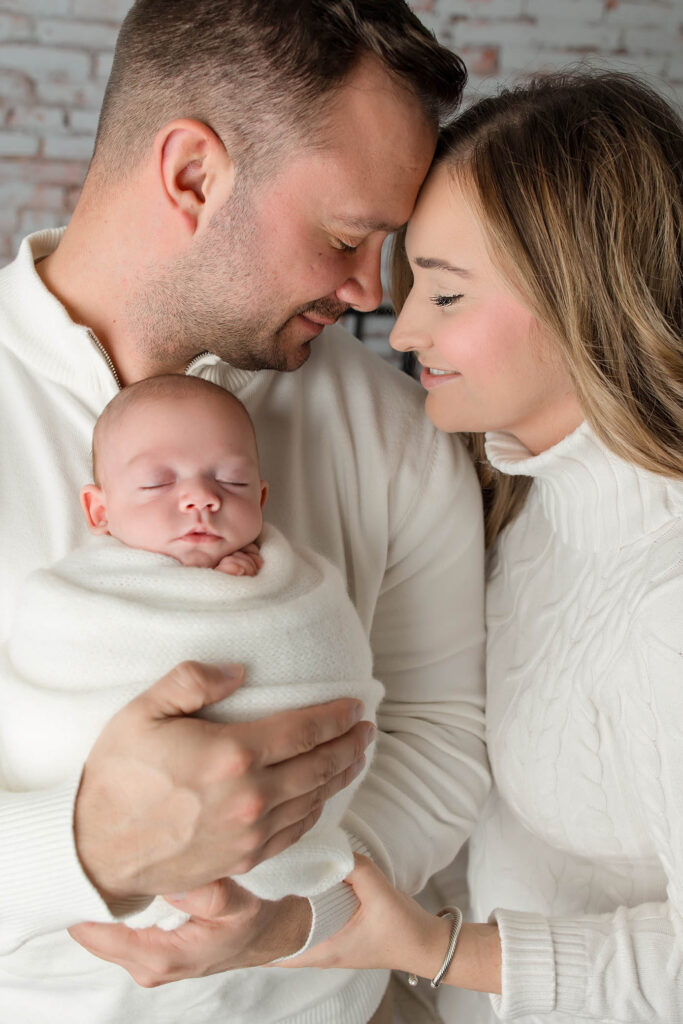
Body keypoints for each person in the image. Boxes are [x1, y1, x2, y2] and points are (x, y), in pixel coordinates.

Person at [0, 2, 488, 1022]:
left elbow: (442, 733)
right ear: (190, 175)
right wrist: (82, 844)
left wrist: (299, 915)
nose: (370, 295)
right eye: (345, 236)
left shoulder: (398, 427)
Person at [278, 70, 683, 1023]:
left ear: (578, 297)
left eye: (445, 294)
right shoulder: (511, 504)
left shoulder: (666, 607)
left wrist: (434, 949)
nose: (403, 325)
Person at [2, 373, 385, 935]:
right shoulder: (80, 596)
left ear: (260, 499)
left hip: (298, 931)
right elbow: (37, 691)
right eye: (157, 484)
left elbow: (334, 665)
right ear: (99, 512)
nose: (201, 497)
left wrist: (238, 591)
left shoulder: (286, 577)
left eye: (230, 480)